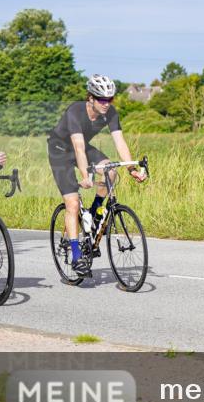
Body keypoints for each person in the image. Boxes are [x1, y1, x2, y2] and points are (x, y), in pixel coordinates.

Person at [47, 74, 146, 275]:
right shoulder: (75, 110)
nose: (106, 104)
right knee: (73, 203)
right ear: (90, 98)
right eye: (102, 99)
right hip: (60, 151)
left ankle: (93, 213)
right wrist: (86, 175)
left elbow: (120, 142)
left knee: (110, 171)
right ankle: (76, 256)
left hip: (82, 148)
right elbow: (78, 146)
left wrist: (131, 169)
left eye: (110, 99)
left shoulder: (110, 113)